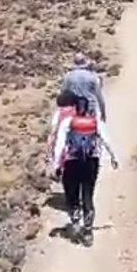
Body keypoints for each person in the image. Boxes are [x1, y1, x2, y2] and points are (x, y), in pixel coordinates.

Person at [50, 93, 119, 245]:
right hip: (91, 163)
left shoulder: (68, 122)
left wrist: (56, 165)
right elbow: (106, 140)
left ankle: (75, 221)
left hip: (72, 163)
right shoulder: (95, 122)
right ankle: (88, 232)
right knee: (88, 195)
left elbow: (60, 144)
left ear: (76, 108)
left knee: (72, 193)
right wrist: (114, 157)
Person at [58, 53, 107, 123]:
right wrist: (103, 113)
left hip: (74, 111)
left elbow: (62, 93)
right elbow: (100, 98)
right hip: (90, 111)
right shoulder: (93, 77)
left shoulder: (69, 76)